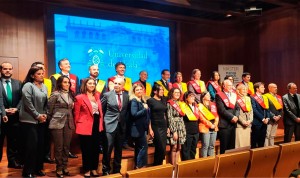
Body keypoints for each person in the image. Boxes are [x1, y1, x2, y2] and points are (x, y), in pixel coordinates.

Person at [19, 66, 48, 177]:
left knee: (40, 146)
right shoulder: (28, 85)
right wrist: (37, 115)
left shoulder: (44, 86)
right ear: (32, 75)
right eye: (39, 74)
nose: (42, 75)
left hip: (41, 120)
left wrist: (44, 114)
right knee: (31, 147)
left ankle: (38, 169)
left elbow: (46, 102)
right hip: (29, 120)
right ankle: (28, 171)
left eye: (42, 73)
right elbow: (27, 103)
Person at [74, 78, 104, 177]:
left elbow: (100, 112)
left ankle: (94, 168)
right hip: (84, 125)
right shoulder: (79, 97)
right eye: (89, 83)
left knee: (95, 148)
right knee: (86, 149)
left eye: (93, 83)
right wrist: (77, 127)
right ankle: (86, 169)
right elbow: (76, 114)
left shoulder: (97, 96)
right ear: (85, 85)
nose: (92, 85)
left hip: (96, 124)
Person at [50, 58, 79, 158]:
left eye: (69, 63)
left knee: (67, 140)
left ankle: (67, 155)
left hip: (71, 109)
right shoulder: (55, 77)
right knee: (59, 144)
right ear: (60, 66)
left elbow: (77, 92)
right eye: (66, 64)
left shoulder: (75, 77)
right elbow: (54, 90)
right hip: (59, 112)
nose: (69, 65)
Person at [48, 76, 75, 177]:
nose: (67, 84)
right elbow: (49, 110)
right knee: (59, 147)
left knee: (66, 146)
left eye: (68, 82)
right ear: (60, 83)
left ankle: (65, 166)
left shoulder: (71, 94)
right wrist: (51, 120)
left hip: (69, 122)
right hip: (56, 122)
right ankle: (59, 167)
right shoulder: (55, 94)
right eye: (65, 82)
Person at [101, 77, 129, 175]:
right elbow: (101, 111)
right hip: (109, 126)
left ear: (123, 86)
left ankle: (117, 169)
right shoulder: (107, 95)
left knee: (119, 149)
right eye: (115, 83)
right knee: (108, 149)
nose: (116, 85)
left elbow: (126, 111)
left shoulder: (126, 96)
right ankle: (106, 170)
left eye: (118, 84)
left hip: (121, 126)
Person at [31, 61, 55, 164]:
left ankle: (46, 156)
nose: (42, 71)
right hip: (33, 115)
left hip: (46, 112)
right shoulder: (29, 84)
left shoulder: (48, 82)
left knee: (46, 137)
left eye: (43, 69)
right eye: (39, 69)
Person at [0, 62, 22, 168]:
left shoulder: (18, 83)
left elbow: (22, 99)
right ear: (1, 70)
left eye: (10, 68)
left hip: (14, 117)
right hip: (1, 117)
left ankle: (12, 162)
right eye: (5, 69)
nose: (7, 70)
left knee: (13, 141)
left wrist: (16, 109)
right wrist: (2, 111)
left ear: (12, 70)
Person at [215, 79, 239, 154]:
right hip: (224, 124)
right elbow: (221, 110)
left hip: (233, 124)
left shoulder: (234, 95)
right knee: (224, 148)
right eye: (229, 85)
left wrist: (236, 117)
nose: (231, 87)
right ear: (224, 86)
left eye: (232, 85)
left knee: (232, 148)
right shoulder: (219, 95)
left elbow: (237, 108)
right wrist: (232, 117)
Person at [129, 83, 149, 169]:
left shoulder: (142, 100)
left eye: (141, 89)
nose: (139, 91)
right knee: (143, 147)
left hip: (142, 127)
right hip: (137, 128)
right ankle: (140, 166)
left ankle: (137, 166)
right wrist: (144, 109)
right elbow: (134, 114)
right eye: (137, 90)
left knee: (139, 147)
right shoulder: (134, 100)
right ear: (134, 91)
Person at [147, 83, 168, 166]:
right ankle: (156, 166)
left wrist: (168, 127)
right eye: (161, 90)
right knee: (160, 147)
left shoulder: (163, 100)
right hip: (155, 126)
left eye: (163, 90)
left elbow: (165, 114)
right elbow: (148, 116)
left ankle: (158, 167)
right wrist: (150, 129)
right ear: (155, 91)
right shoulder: (150, 101)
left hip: (163, 126)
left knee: (162, 149)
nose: (162, 91)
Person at [167, 88, 186, 168]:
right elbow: (169, 117)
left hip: (181, 126)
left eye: (179, 92)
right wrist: (174, 131)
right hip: (174, 125)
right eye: (176, 92)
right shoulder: (170, 103)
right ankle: (173, 167)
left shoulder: (180, 103)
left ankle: (177, 165)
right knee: (174, 147)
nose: (177, 94)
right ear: (172, 93)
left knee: (179, 147)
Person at [198, 91, 219, 157]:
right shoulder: (200, 106)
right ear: (203, 97)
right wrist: (210, 125)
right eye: (207, 95)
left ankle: (211, 162)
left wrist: (215, 124)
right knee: (205, 146)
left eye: (209, 95)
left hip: (214, 128)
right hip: (205, 127)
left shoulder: (213, 104)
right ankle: (205, 162)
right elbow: (202, 118)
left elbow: (217, 116)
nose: (209, 96)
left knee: (212, 146)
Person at [180, 91, 199, 160]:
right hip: (188, 130)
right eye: (190, 96)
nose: (193, 97)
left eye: (193, 96)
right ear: (186, 98)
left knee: (193, 150)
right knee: (186, 150)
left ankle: (192, 165)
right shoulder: (184, 106)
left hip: (196, 131)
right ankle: (186, 166)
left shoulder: (196, 106)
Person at [251, 82, 270, 148]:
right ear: (257, 89)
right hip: (257, 122)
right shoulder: (252, 97)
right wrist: (262, 118)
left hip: (265, 122)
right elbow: (254, 109)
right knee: (254, 140)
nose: (264, 88)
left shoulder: (264, 97)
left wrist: (267, 118)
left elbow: (267, 108)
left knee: (262, 140)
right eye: (262, 87)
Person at [235, 84, 253, 148]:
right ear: (238, 90)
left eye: (246, 89)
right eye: (243, 89)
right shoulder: (235, 98)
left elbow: (251, 111)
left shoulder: (248, 98)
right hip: (240, 125)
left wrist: (250, 120)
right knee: (240, 145)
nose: (245, 91)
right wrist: (243, 121)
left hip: (248, 124)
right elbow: (235, 113)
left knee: (247, 144)